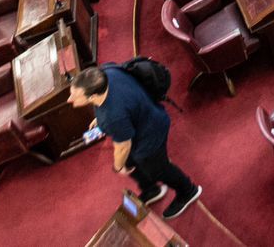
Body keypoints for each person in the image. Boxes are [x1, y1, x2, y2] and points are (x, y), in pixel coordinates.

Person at [69, 66, 202, 218]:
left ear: (93, 97)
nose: (69, 99)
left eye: (74, 96)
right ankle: (151, 189)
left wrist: (118, 167)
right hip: (143, 116)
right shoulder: (106, 72)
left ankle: (188, 191)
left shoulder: (113, 117)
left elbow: (123, 147)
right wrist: (100, 118)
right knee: (131, 162)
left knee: (157, 168)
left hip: (150, 135)